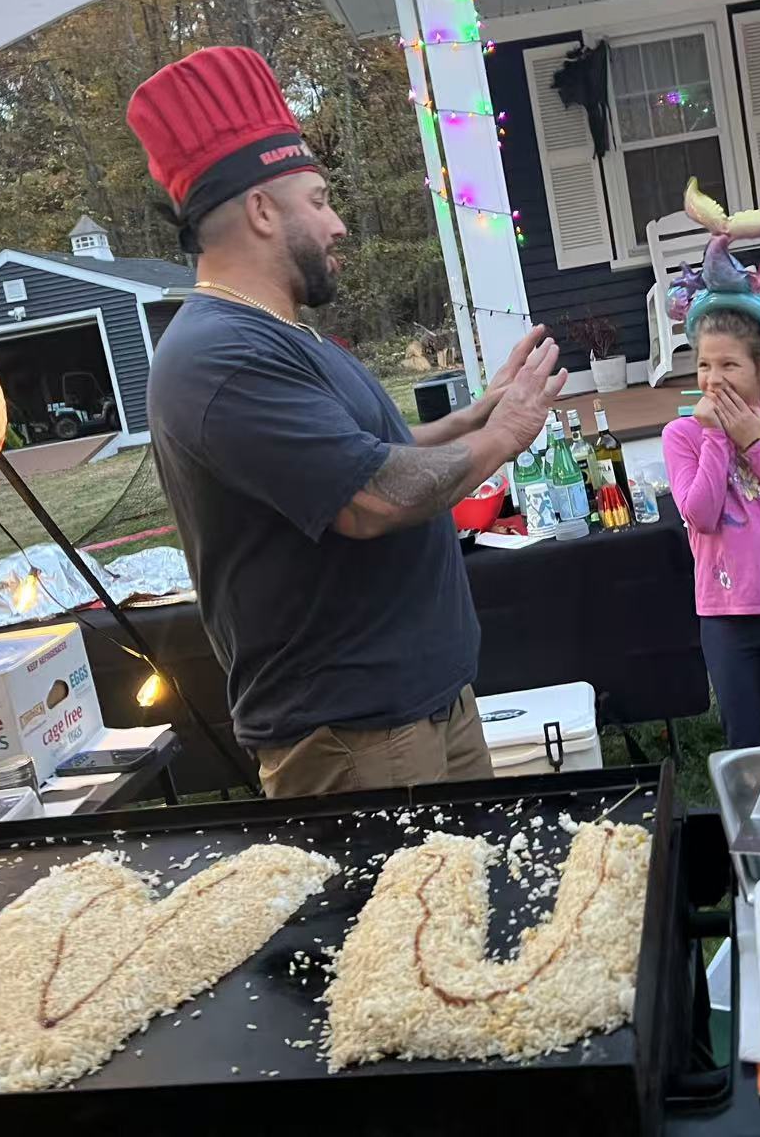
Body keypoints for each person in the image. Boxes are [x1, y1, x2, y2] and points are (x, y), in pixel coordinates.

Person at [127, 47, 566, 800]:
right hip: (358, 736)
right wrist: (502, 437)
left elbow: (364, 458)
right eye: (319, 199)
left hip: (420, 710)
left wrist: (471, 416)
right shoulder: (218, 357)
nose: (336, 224)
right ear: (262, 209)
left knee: (471, 907)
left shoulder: (280, 332)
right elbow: (371, 498)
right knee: (409, 921)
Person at [663, 305, 760, 750]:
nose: (713, 378)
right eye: (704, 365)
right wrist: (715, 435)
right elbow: (701, 515)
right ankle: (754, 816)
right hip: (726, 615)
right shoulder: (682, 435)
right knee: (746, 737)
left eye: (729, 365)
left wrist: (754, 443)